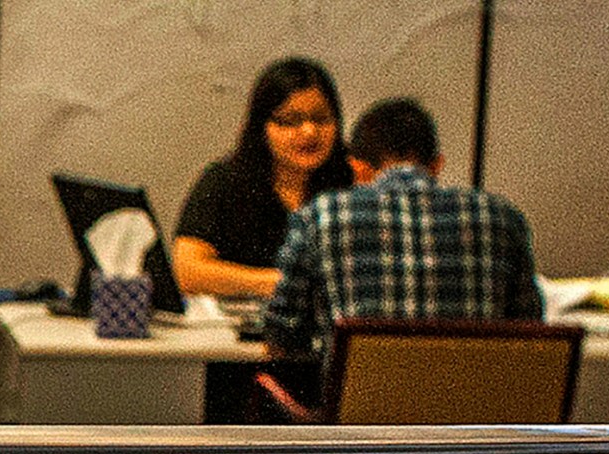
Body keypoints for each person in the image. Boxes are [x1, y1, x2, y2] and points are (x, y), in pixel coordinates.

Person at [262, 97, 541, 362]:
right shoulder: (503, 218)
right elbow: (529, 330)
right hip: (475, 407)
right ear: (436, 165)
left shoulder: (321, 217)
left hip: (363, 408)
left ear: (357, 169)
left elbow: (282, 330)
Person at [172, 56, 353, 300]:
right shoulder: (225, 181)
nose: (309, 132)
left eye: (321, 119)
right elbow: (188, 271)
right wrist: (277, 282)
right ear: (262, 127)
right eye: (292, 121)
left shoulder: (352, 181)